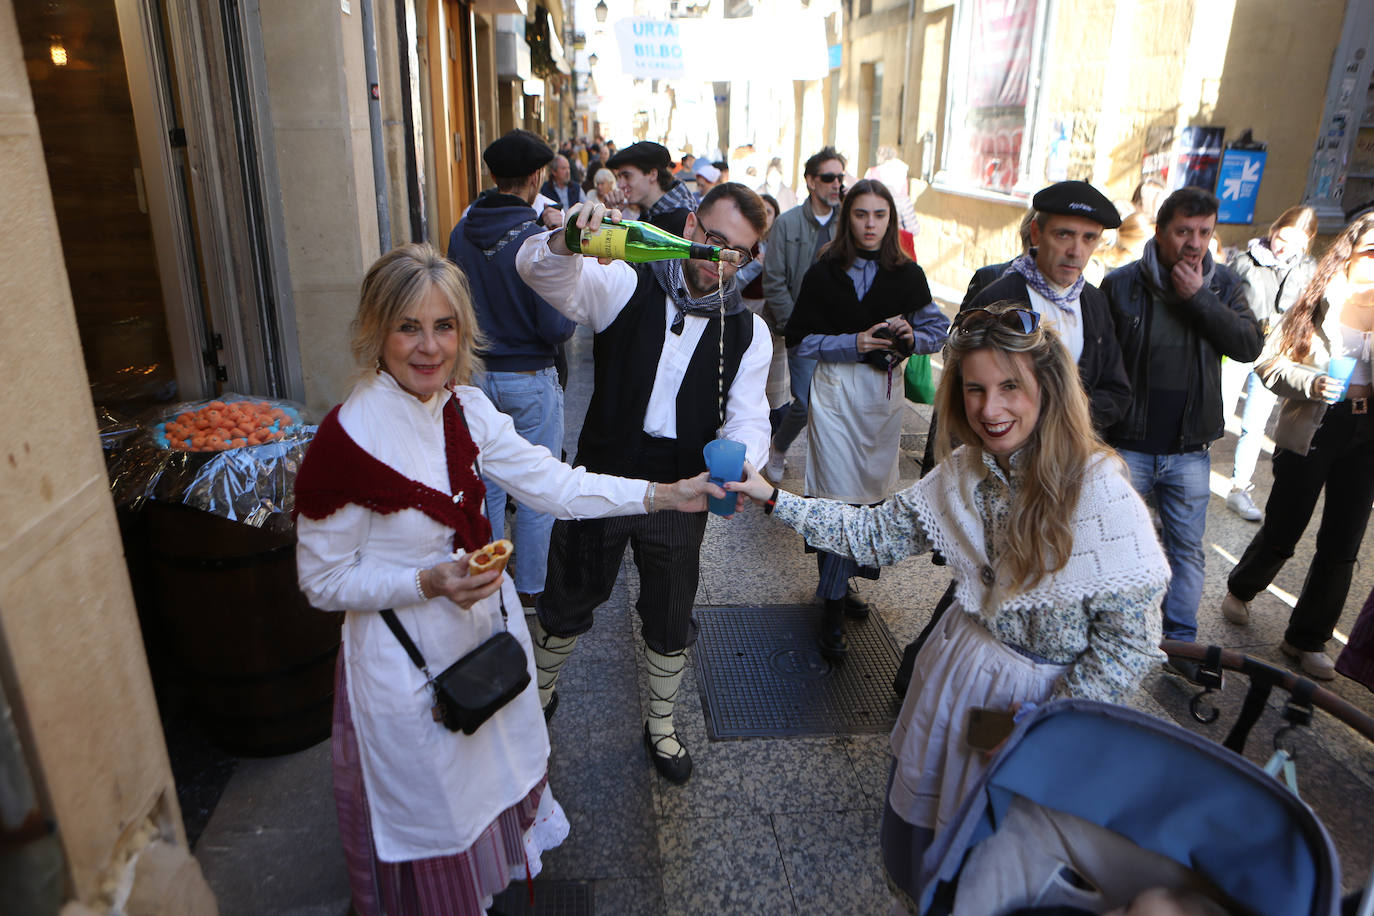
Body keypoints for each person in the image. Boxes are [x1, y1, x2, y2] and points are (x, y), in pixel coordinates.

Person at [293, 243, 717, 915]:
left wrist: (662, 495)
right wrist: (427, 582)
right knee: (437, 826)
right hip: (405, 674)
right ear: (376, 331)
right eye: (409, 326)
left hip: (481, 648)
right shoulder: (346, 442)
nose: (428, 347)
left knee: (486, 797)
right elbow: (323, 581)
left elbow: (553, 483)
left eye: (444, 326)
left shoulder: (465, 408)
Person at [726, 301, 1168, 910]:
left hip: (1037, 707)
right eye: (974, 389)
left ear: (1049, 388)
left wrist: (1042, 732)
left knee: (997, 859)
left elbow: (1131, 642)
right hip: (956, 673)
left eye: (1010, 387)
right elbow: (872, 535)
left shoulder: (1100, 491)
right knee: (930, 832)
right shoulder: (964, 472)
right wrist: (773, 498)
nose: (990, 409)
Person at [515, 184, 772, 784]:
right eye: (713, 242)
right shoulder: (630, 279)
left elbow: (750, 413)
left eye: (739, 253)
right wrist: (565, 238)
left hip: (682, 491)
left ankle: (660, 722)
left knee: (669, 606)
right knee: (570, 593)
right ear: (689, 225)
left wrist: (741, 458)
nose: (721, 262)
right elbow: (545, 275)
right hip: (603, 477)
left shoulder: (747, 331)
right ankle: (539, 693)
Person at [783, 178, 947, 660]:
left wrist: (909, 334)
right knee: (837, 499)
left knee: (870, 500)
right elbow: (799, 339)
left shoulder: (906, 274)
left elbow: (938, 331)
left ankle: (842, 582)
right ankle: (831, 603)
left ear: (891, 221)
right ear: (847, 217)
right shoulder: (824, 273)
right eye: (861, 214)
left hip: (882, 397)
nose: (871, 224)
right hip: (835, 393)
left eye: (880, 215)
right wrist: (851, 342)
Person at [1102, 187, 1263, 646]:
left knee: (1187, 551)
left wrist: (1200, 299)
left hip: (1190, 450)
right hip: (1128, 445)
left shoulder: (1225, 285)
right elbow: (1098, 364)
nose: (1194, 243)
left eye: (1204, 232)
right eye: (1183, 231)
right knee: (1116, 545)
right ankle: (1116, 634)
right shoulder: (1121, 285)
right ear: (1160, 232)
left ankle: (1180, 641)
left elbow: (1248, 346)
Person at [1218, 214, 1374, 679]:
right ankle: (1242, 588)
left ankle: (1306, 639)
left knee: (1343, 542)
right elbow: (1269, 366)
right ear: (1349, 250)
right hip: (1315, 426)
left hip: (1367, 435)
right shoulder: (1316, 298)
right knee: (1286, 527)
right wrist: (1313, 382)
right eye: (1370, 249)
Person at [447, 130, 575, 608]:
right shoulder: (539, 236)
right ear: (537, 177)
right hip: (530, 377)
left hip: (475, 375)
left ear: (493, 176)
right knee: (537, 485)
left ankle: (489, 582)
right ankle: (531, 590)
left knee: (489, 485)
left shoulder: (461, 231)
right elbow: (556, 326)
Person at [967, 181, 1132, 432]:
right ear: (1036, 233)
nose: (1076, 251)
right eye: (1063, 234)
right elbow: (968, 385)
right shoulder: (997, 298)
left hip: (1073, 453)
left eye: (1089, 238)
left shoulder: (1096, 303)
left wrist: (1071, 419)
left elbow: (1116, 390)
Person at [1220, 205, 1319, 520]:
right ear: (1274, 229)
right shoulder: (1244, 261)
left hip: (1275, 356)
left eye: (1295, 243)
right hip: (1237, 349)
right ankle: (1187, 478)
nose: (1283, 247)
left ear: (1307, 243)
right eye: (1282, 237)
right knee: (1216, 415)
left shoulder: (1309, 269)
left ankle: (1239, 488)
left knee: (1255, 424)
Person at [762, 145, 848, 480]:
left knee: (839, 402)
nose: (836, 184)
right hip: (803, 330)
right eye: (828, 178)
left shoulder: (850, 221)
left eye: (840, 177)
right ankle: (779, 447)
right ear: (811, 181)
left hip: (844, 331)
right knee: (806, 401)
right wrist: (797, 326)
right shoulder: (788, 224)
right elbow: (774, 280)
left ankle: (831, 467)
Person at [737, 193, 790, 415]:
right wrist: (757, 265)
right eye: (761, 211)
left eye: (769, 212)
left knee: (774, 370)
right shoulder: (745, 243)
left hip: (772, 312)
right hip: (747, 307)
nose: (764, 217)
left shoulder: (780, 244)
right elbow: (735, 281)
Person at [605, 140, 698, 236]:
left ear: (652, 174)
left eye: (627, 176)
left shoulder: (682, 219)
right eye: (619, 177)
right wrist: (610, 219)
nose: (620, 185)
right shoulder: (650, 214)